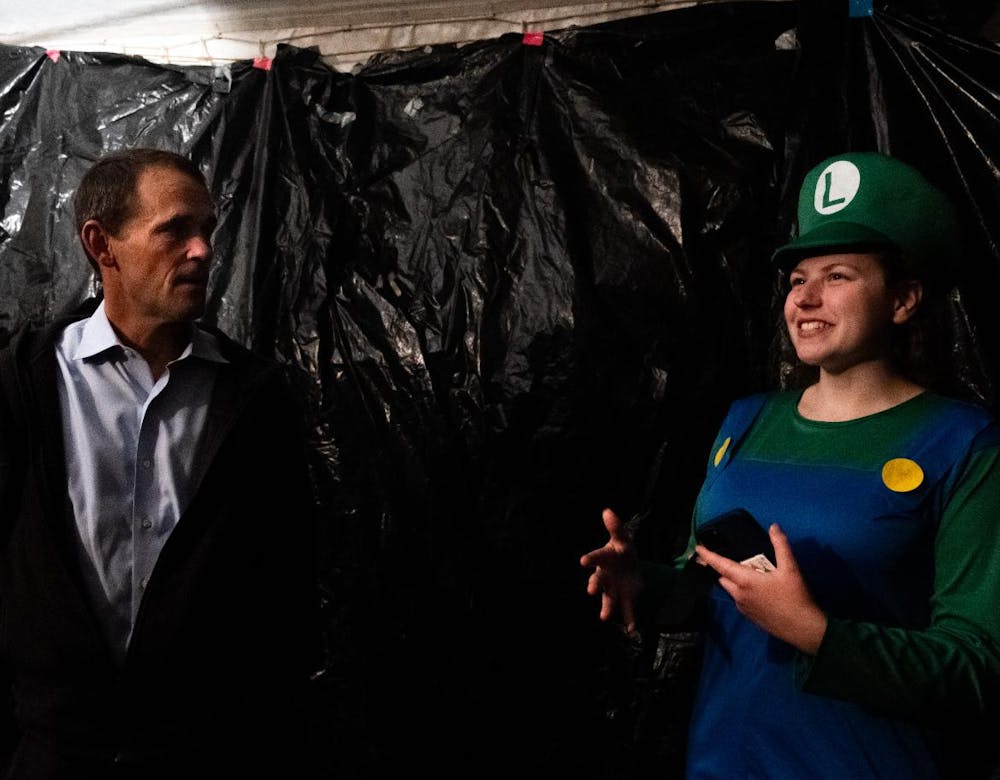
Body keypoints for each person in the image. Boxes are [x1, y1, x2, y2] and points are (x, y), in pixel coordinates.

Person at [581, 152, 1000, 778]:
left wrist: (816, 634)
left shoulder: (964, 443)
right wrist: (644, 583)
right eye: (796, 278)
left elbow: (980, 667)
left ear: (904, 299)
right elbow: (708, 584)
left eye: (837, 275)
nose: (805, 298)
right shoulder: (746, 421)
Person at [0, 149, 320, 778]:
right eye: (175, 229)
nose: (202, 250)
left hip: (205, 753)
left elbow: (285, 578)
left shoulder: (253, 397)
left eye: (207, 229)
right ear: (102, 245)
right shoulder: (23, 385)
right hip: (55, 751)